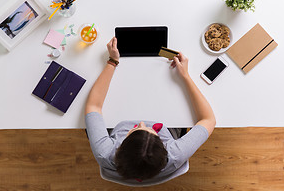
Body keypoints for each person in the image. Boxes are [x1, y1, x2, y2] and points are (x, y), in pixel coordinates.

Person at [85, 37, 216, 186]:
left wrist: (112, 61)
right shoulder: (175, 155)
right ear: (165, 148)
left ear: (119, 148)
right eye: (148, 129)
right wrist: (185, 75)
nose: (141, 122)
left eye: (135, 129)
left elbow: (93, 106)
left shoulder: (105, 153)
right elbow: (208, 120)